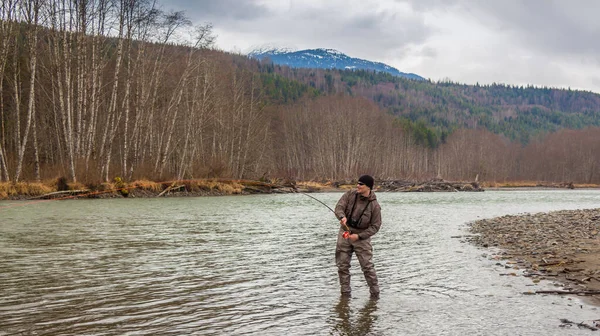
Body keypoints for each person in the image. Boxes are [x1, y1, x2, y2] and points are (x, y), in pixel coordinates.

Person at [334, 174, 382, 299]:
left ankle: (375, 295)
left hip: (362, 238)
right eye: (358, 183)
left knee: (367, 267)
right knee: (342, 266)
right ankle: (345, 295)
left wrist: (359, 236)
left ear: (368, 187)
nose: (358, 186)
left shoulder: (375, 206)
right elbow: (339, 207)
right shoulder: (350, 194)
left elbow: (375, 226)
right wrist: (342, 217)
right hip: (345, 233)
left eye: (361, 184)